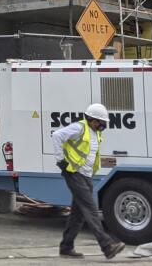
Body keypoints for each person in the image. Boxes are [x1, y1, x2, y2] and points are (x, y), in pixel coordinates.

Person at [52, 103, 126, 259]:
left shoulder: (95, 132)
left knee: (78, 215)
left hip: (86, 176)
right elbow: (57, 135)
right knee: (91, 209)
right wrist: (61, 161)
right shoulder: (79, 128)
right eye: (102, 123)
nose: (103, 126)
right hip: (74, 173)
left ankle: (66, 247)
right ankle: (107, 246)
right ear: (93, 120)